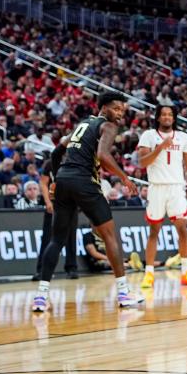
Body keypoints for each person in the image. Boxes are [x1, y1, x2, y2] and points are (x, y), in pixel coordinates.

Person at [32, 92, 144, 311]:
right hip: (84, 181)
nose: (120, 114)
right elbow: (103, 155)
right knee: (109, 235)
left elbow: (56, 153)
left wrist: (55, 180)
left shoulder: (81, 125)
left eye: (122, 110)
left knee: (57, 240)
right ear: (103, 108)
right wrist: (124, 177)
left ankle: (41, 297)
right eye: (116, 109)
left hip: (64, 180)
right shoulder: (108, 126)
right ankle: (123, 293)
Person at [137, 105, 187, 289]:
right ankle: (149, 274)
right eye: (163, 114)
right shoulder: (148, 136)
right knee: (154, 232)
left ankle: (186, 273)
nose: (167, 117)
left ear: (174, 118)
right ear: (158, 118)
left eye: (170, 114)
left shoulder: (183, 137)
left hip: (177, 188)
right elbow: (142, 162)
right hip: (157, 188)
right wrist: (160, 147)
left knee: (182, 231)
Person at [33, 144, 79, 280]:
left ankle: (72, 268)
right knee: (47, 238)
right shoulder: (50, 164)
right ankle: (41, 270)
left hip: (70, 204)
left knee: (71, 237)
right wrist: (47, 202)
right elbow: (43, 183)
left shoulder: (75, 163)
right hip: (53, 204)